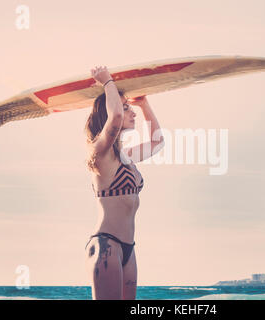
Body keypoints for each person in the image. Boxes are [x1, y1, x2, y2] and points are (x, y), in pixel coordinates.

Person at [84, 66, 164, 300]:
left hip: (128, 247)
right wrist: (107, 81)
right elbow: (116, 117)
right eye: (126, 107)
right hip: (106, 246)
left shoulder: (125, 156)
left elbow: (157, 142)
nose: (131, 113)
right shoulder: (99, 154)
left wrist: (144, 104)